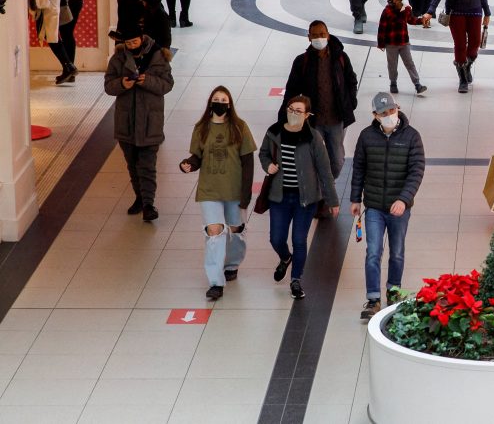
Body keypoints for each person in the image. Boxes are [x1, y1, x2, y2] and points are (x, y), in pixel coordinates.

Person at [351, 92, 426, 320]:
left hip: (399, 208)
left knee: (397, 252)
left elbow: (416, 171)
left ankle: (393, 291)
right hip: (373, 205)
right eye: (383, 113)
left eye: (391, 111)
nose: (389, 115)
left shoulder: (412, 137)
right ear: (375, 115)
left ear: (398, 108)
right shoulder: (366, 137)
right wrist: (355, 198)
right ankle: (373, 299)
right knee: (373, 252)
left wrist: (403, 199)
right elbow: (359, 168)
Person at [259, 95, 340, 300]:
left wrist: (332, 201)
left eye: (299, 111)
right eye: (291, 109)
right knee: (276, 238)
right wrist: (267, 165)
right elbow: (263, 153)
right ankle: (285, 258)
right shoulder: (274, 132)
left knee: (299, 240)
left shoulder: (313, 138)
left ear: (307, 115)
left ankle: (296, 279)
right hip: (279, 196)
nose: (294, 114)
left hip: (306, 199)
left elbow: (324, 171)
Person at [179, 86, 256, 301]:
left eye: (223, 99)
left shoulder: (240, 127)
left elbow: (248, 162)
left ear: (229, 104)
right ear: (210, 103)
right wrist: (187, 164)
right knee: (215, 232)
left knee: (235, 229)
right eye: (216, 98)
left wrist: (246, 193)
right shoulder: (201, 128)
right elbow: (196, 156)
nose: (220, 102)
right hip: (209, 189)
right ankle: (215, 282)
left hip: (234, 188)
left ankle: (232, 264)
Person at [103, 21, 174, 222]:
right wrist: (122, 84)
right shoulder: (118, 59)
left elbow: (168, 84)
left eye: (134, 41)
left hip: (151, 122)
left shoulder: (159, 56)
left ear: (142, 38)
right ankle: (140, 198)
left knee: (148, 166)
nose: (132, 45)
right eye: (128, 42)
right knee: (132, 165)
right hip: (126, 123)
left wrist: (147, 81)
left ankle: (149, 204)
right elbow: (109, 86)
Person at [281, 20, 359, 181]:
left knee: (337, 161)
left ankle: (326, 186)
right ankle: (321, 195)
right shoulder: (302, 62)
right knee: (313, 160)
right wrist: (283, 117)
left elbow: (351, 80)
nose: (319, 38)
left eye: (322, 34)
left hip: (336, 120)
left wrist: (351, 103)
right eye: (315, 35)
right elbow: (291, 91)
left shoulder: (341, 58)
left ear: (328, 35)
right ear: (309, 37)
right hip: (313, 122)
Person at [377, 0, 427, 96]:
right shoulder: (387, 11)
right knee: (392, 64)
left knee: (410, 63)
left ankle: (417, 84)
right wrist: (381, 43)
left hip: (404, 43)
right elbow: (382, 27)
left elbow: (411, 20)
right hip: (391, 44)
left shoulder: (407, 9)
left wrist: (420, 21)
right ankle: (393, 83)